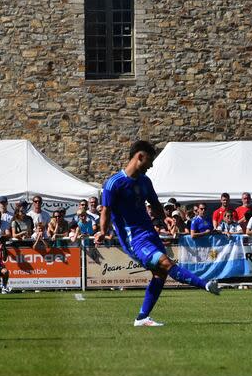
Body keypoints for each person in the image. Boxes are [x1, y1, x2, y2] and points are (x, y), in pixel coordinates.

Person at [94, 140, 219, 327]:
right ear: (140, 157)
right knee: (165, 263)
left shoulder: (145, 182)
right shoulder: (114, 183)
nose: (151, 165)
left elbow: (154, 204)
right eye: (150, 161)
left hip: (150, 234)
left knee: (160, 274)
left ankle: (142, 318)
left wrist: (165, 218)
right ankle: (206, 285)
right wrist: (102, 232)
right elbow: (106, 210)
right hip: (134, 240)